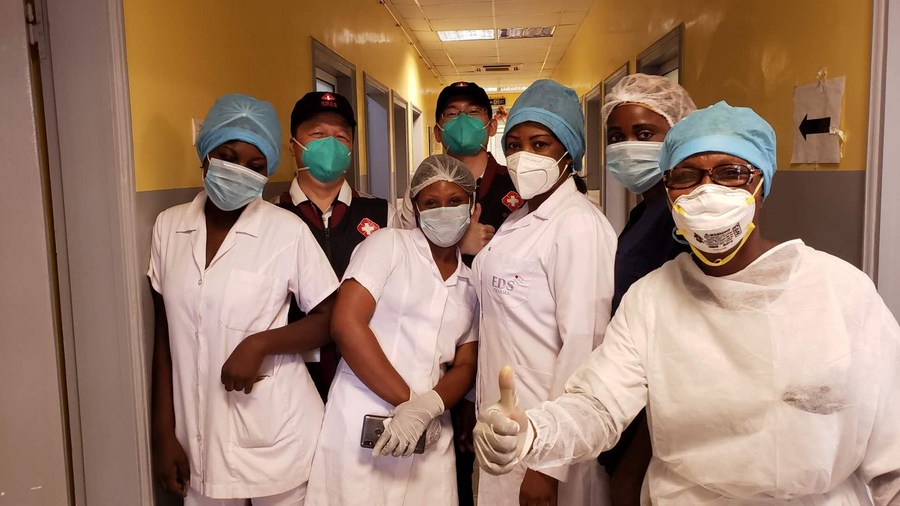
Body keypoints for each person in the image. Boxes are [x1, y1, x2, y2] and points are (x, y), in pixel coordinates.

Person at [473, 102, 900, 505]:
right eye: (687, 176)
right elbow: (598, 406)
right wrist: (534, 432)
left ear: (762, 184)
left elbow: (892, 453)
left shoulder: (841, 292)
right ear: (669, 190)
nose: (706, 191)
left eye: (730, 173)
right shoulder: (652, 299)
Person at [149, 94, 339, 506]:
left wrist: (260, 344)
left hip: (280, 435)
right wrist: (163, 435)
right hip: (196, 440)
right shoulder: (169, 228)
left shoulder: (285, 230)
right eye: (228, 156)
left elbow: (329, 317)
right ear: (205, 155)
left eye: (256, 166)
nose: (240, 172)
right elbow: (165, 338)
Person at [472, 79, 617, 506]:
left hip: (547, 440)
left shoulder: (578, 227)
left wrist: (548, 466)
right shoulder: (520, 215)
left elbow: (583, 348)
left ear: (568, 153)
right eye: (514, 144)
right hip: (503, 424)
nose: (524, 157)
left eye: (540, 144)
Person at [305, 155, 479, 506]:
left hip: (429, 432)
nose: (443, 211)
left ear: (472, 206)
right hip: (362, 419)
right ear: (415, 207)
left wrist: (428, 407)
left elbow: (466, 363)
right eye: (431, 203)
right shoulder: (386, 246)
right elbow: (346, 324)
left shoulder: (471, 282)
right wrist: (409, 404)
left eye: (455, 201)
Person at [399, 81, 521, 505]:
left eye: (473, 112)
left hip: (503, 345)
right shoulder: (421, 190)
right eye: (452, 114)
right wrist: (457, 245)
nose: (463, 121)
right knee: (440, 465)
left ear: (490, 125)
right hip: (436, 352)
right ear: (437, 130)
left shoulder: (518, 187)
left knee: (498, 461)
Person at [598, 74, 695, 505]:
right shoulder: (647, 211)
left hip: (655, 409)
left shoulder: (680, 217)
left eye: (644, 134)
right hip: (631, 391)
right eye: (616, 136)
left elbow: (680, 337)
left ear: (677, 133)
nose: (626, 146)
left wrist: (637, 455)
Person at [274, 91, 395, 401]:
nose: (330, 144)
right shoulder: (270, 218)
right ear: (293, 145)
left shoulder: (383, 213)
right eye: (317, 134)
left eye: (341, 136)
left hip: (370, 370)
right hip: (291, 374)